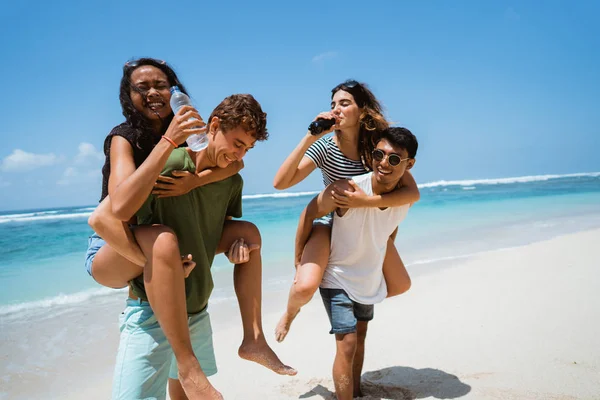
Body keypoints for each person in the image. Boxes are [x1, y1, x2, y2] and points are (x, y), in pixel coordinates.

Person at [85, 59, 293, 400]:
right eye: (142, 87)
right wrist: (155, 260)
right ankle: (188, 364)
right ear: (128, 94)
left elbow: (230, 165)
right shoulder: (126, 138)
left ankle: (253, 337)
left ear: (175, 91)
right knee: (163, 242)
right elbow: (107, 217)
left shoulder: (194, 143)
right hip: (114, 240)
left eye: (161, 85)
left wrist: (196, 182)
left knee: (249, 233)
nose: (153, 92)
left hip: (174, 268)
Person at [273, 80, 420, 342]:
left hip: (369, 226)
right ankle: (290, 313)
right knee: (305, 286)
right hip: (330, 223)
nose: (336, 110)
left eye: (344, 103)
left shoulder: (378, 147)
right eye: (332, 105)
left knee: (400, 285)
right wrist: (311, 136)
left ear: (362, 111)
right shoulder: (326, 147)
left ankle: (352, 294)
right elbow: (281, 182)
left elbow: (410, 194)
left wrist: (366, 205)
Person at [301, 127, 418, 399]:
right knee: (347, 342)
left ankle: (355, 391)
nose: (384, 163)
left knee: (361, 335)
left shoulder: (406, 198)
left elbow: (390, 225)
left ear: (409, 165)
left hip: (366, 276)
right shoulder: (349, 189)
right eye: (379, 154)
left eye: (394, 159)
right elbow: (308, 213)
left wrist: (381, 248)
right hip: (337, 275)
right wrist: (299, 258)